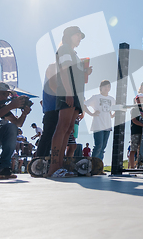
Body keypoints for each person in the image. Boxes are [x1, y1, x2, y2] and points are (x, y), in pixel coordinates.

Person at [47, 26, 92, 178]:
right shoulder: (65, 48)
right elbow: (65, 70)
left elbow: (74, 72)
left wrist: (85, 71)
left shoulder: (73, 53)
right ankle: (54, 167)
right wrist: (68, 92)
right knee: (62, 127)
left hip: (76, 94)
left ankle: (61, 166)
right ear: (70, 35)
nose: (80, 38)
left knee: (69, 128)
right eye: (78, 35)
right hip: (68, 92)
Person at [84, 80, 115, 161]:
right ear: (101, 87)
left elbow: (115, 108)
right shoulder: (95, 97)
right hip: (98, 125)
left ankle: (99, 167)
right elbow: (84, 105)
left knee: (103, 148)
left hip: (107, 126)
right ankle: (93, 166)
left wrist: (112, 114)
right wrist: (91, 114)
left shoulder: (111, 99)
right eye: (105, 86)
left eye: (108, 86)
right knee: (98, 146)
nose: (107, 88)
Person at [128, 95, 143, 169]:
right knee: (133, 149)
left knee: (142, 149)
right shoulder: (134, 109)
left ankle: (141, 164)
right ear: (136, 100)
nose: (141, 101)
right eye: (139, 99)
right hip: (135, 131)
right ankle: (132, 167)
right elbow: (134, 120)